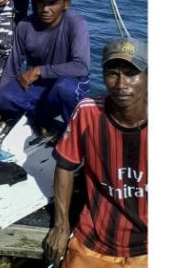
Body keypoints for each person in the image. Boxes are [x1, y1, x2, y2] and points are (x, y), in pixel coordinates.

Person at [44, 37, 148, 267]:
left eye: (131, 73)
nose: (121, 84)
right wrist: (62, 225)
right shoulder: (89, 113)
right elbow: (65, 166)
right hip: (94, 241)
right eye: (113, 74)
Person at [0, 0, 90, 131]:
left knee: (65, 88)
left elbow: (81, 67)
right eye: (40, 2)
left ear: (66, 3)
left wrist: (39, 71)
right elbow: (11, 70)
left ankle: (72, 132)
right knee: (4, 96)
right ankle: (41, 119)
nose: (45, 8)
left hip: (69, 83)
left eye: (52, 2)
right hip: (39, 88)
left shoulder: (76, 23)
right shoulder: (25, 26)